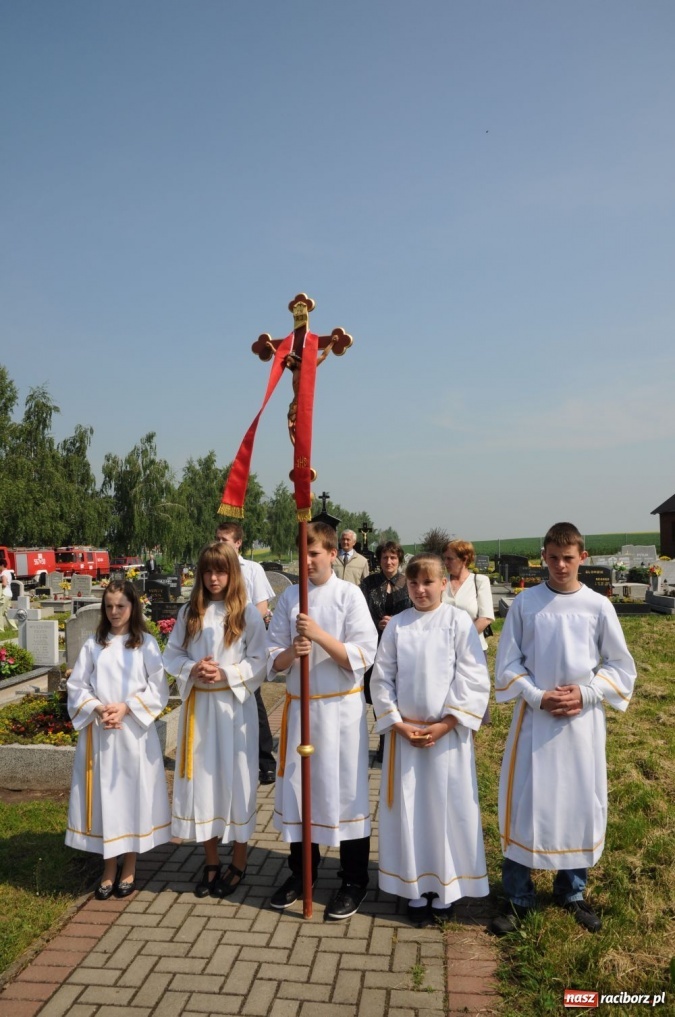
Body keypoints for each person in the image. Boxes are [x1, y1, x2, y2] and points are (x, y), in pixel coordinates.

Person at [491, 522, 637, 936]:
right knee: (526, 800)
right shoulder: (526, 603)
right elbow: (508, 664)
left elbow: (619, 666)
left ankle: (572, 891)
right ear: (543, 556)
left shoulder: (598, 606)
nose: (559, 565)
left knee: (578, 800)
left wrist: (587, 694)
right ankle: (518, 895)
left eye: (567, 558)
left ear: (582, 558)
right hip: (535, 720)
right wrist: (537, 696)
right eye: (552, 557)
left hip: (580, 724)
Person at [370, 553, 490, 923]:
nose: (420, 590)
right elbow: (381, 677)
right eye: (413, 584)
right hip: (407, 738)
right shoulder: (398, 626)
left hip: (446, 738)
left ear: (443, 584)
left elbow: (471, 676)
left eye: (428, 583)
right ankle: (415, 888)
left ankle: (446, 887)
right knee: (409, 810)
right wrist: (397, 723)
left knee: (445, 808)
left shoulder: (457, 623)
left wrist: (447, 723)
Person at [267, 521, 378, 919]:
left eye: (314, 553)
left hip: (340, 712)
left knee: (345, 791)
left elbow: (364, 653)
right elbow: (271, 657)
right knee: (301, 790)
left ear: (332, 553)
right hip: (300, 708)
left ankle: (353, 879)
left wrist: (318, 635)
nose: (307, 560)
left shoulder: (349, 595)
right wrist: (289, 654)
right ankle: (303, 873)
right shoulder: (290, 597)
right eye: (302, 553)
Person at [164, 542, 267, 898]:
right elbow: (171, 654)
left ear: (232, 573)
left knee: (235, 780)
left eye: (220, 571)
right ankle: (211, 860)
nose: (213, 578)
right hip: (200, 712)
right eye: (207, 571)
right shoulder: (191, 611)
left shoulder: (247, 613)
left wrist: (225, 673)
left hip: (234, 710)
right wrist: (193, 667)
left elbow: (260, 660)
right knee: (203, 783)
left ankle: (239, 860)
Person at [65, 580, 171, 899]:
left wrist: (126, 707)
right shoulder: (94, 644)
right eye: (109, 606)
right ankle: (108, 867)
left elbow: (158, 689)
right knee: (104, 797)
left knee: (130, 796)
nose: (114, 612)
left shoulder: (146, 644)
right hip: (100, 733)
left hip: (133, 733)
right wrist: (98, 708)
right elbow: (78, 686)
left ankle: (130, 866)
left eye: (120, 606)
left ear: (133, 607)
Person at [215, 521, 277, 784]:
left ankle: (264, 760)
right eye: (217, 538)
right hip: (218, 644)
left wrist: (241, 628)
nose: (220, 543)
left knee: (254, 699)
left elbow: (261, 607)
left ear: (238, 543)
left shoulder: (252, 569)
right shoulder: (212, 568)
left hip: (243, 640)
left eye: (225, 540)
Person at [360, 541, 411, 761]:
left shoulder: (408, 583)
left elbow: (415, 610)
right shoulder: (369, 583)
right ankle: (383, 742)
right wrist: (376, 623)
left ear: (399, 560)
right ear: (379, 560)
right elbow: (360, 611)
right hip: (376, 644)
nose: (388, 562)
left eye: (393, 558)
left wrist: (396, 622)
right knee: (380, 693)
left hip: (403, 645)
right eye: (384, 558)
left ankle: (399, 740)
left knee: (401, 692)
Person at [441, 539, 495, 724]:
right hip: (443, 650)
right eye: (445, 558)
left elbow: (485, 617)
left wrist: (462, 640)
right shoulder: (442, 582)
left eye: (450, 559)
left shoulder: (479, 581)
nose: (446, 563)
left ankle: (469, 746)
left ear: (464, 559)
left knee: (469, 702)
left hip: (473, 649)